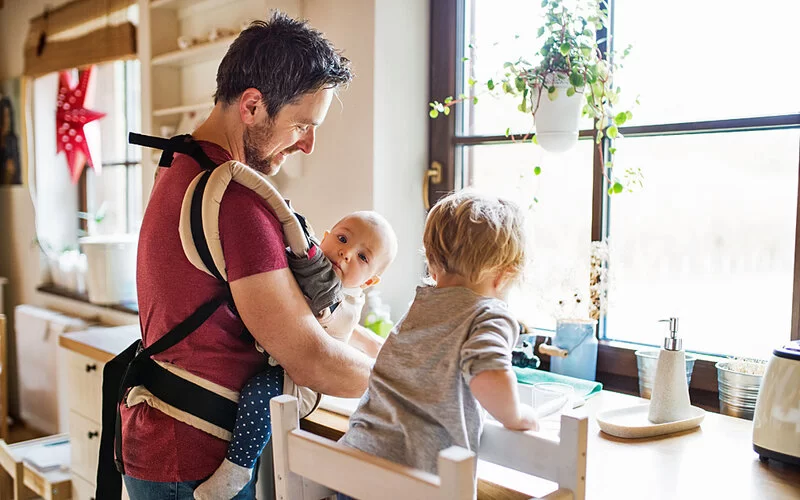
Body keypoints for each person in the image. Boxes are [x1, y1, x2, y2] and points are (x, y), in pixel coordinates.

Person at [122, 12, 374, 500]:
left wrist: (397, 355)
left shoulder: (181, 161)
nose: (308, 144)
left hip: (162, 441)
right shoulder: (235, 203)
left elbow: (291, 314)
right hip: (192, 459)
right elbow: (312, 360)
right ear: (253, 106)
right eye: (302, 124)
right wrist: (417, 383)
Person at [339, 191, 540, 488]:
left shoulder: (420, 306)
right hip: (414, 477)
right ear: (503, 276)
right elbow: (488, 376)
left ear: (432, 264)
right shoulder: (490, 314)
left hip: (355, 460)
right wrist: (518, 415)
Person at [194, 210, 397, 500]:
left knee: (257, 394)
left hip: (300, 385)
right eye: (342, 239)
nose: (346, 253)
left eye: (363, 257)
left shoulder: (348, 300)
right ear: (324, 238)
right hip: (278, 360)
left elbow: (332, 319)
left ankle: (237, 468)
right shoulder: (311, 267)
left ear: (368, 282)